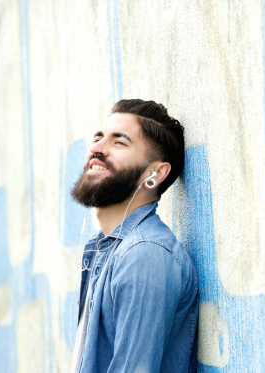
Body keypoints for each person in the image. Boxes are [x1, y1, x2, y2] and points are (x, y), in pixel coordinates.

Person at [70, 99, 198, 373]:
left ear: (155, 173)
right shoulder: (108, 249)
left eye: (119, 142)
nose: (96, 149)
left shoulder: (145, 254)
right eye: (98, 138)